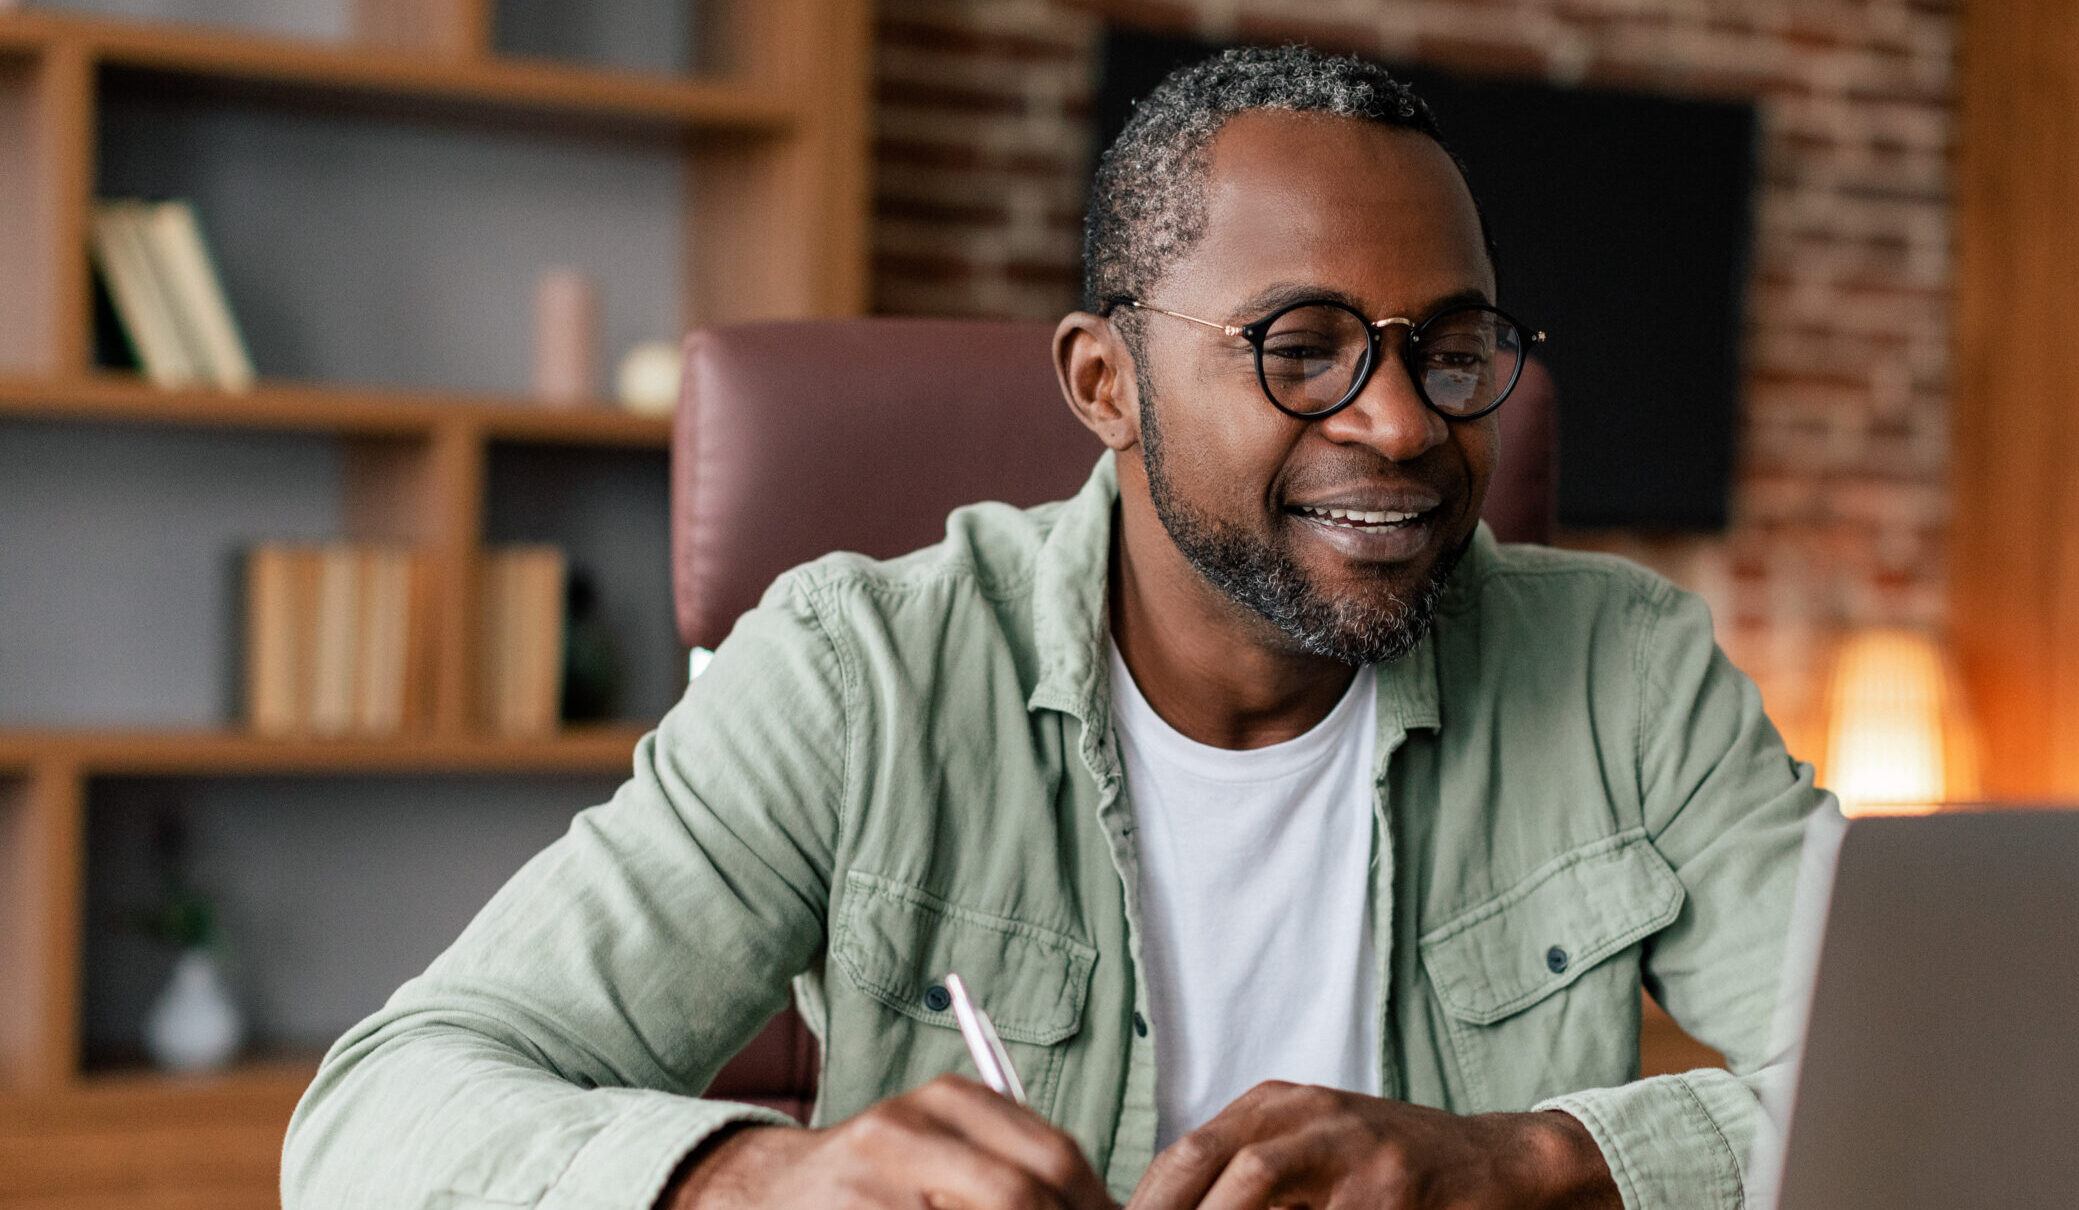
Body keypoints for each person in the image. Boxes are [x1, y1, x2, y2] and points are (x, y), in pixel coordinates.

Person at [282, 45, 1834, 1210]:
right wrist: (752, 1181)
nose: (1402, 421)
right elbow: (375, 1113)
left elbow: (1930, 1095)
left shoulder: (1630, 674)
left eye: (1451, 349)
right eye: (1302, 350)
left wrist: (1536, 1159)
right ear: (1105, 385)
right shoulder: (855, 678)